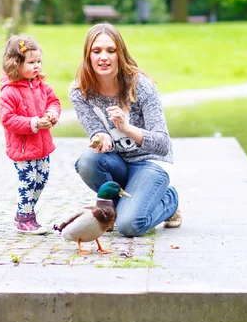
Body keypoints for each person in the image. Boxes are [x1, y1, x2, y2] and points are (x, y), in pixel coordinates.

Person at [69, 22, 181, 237]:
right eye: (97, 51)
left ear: (120, 54)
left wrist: (126, 128)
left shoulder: (140, 85)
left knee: (129, 225)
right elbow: (94, 130)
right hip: (117, 164)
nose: (104, 57)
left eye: (111, 51)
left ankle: (169, 199)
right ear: (88, 55)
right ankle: (119, 207)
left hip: (149, 163)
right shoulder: (80, 92)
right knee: (87, 161)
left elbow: (163, 143)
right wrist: (99, 137)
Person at [0, 35, 61, 234]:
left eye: (39, 62)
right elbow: (7, 119)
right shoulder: (9, 92)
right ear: (15, 64)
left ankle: (26, 213)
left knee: (41, 179)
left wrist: (52, 113)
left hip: (42, 146)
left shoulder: (41, 86)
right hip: (23, 147)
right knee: (28, 181)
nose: (37, 66)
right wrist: (33, 123)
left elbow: (54, 101)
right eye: (31, 62)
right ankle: (24, 218)